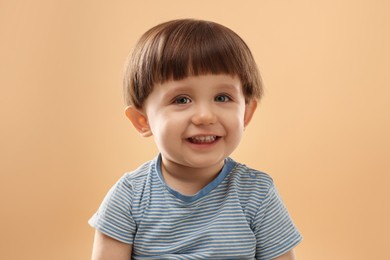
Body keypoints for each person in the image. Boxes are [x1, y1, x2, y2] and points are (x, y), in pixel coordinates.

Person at [89, 19, 302, 260]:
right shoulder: (129, 197)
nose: (205, 116)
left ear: (246, 113)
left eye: (222, 97)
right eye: (181, 100)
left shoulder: (256, 194)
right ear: (142, 120)